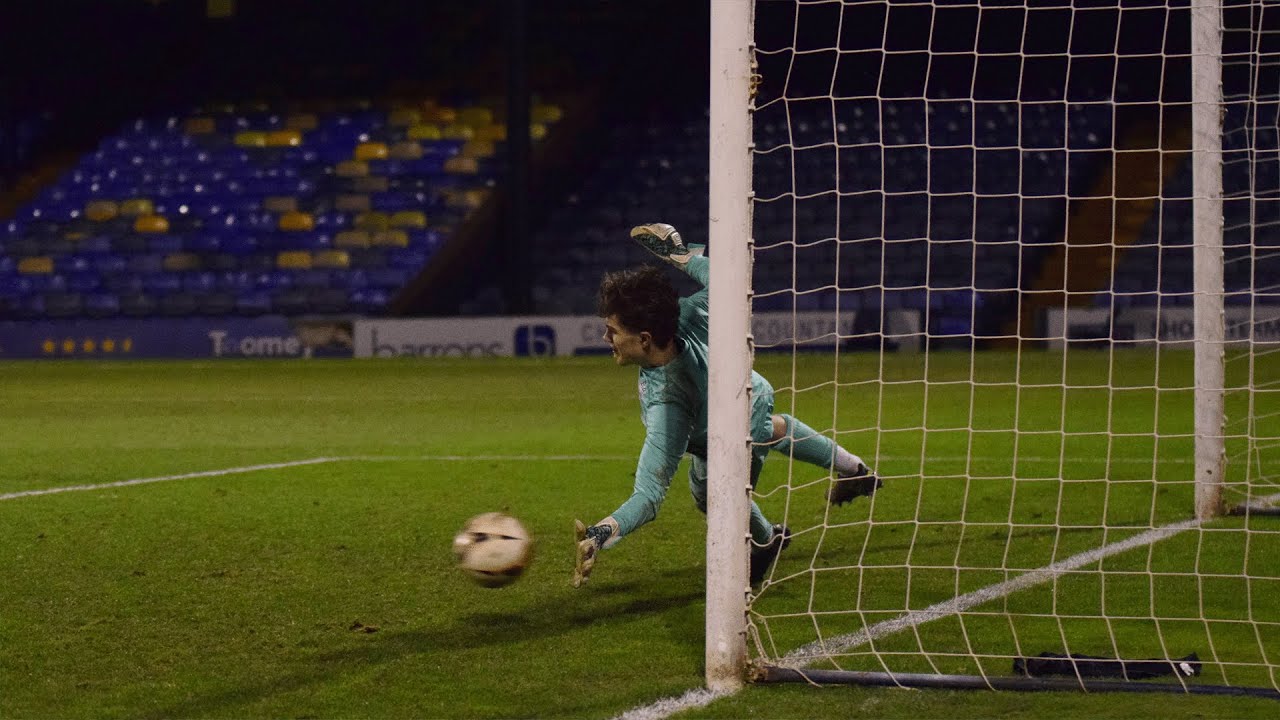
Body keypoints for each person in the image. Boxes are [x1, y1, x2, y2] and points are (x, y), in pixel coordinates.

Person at [572, 223, 881, 588]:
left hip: (732, 424)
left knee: (717, 496)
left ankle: (765, 541)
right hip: (747, 393)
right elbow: (726, 282)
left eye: (612, 331)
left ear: (644, 339)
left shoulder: (668, 406)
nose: (605, 337)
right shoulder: (685, 314)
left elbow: (649, 496)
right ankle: (853, 469)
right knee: (772, 432)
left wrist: (600, 533)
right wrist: (682, 257)